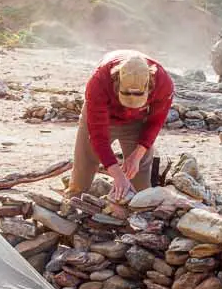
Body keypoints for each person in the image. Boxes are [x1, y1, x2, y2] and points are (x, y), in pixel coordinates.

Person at [67, 50, 174, 202]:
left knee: (140, 177)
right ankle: (72, 203)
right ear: (116, 80)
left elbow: (155, 122)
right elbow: (98, 136)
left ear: (149, 84)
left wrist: (137, 156)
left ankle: (141, 213)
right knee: (85, 163)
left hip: (137, 120)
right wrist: (117, 174)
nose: (131, 103)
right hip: (103, 116)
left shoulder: (163, 83)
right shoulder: (99, 81)